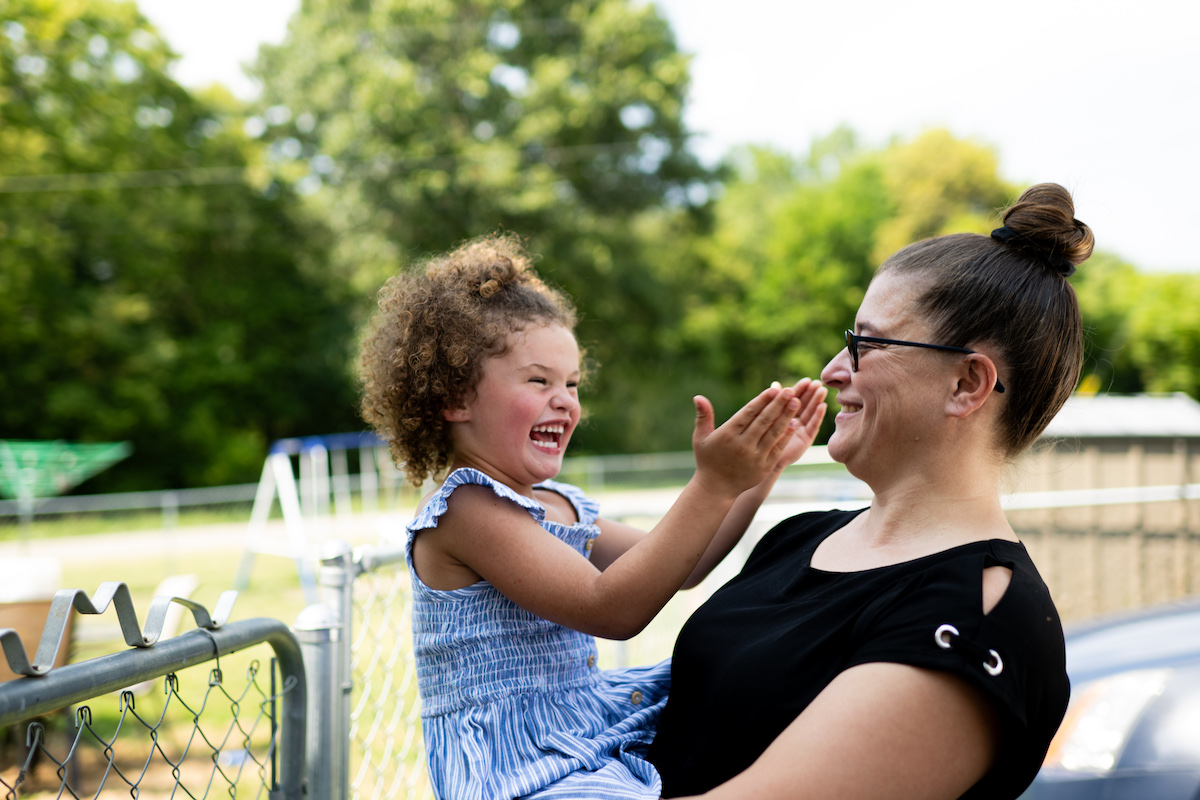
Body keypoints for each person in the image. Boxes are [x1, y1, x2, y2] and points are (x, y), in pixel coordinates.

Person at [647, 183, 1091, 800]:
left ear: (967, 384)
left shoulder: (981, 616)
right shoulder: (799, 536)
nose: (833, 369)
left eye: (867, 343)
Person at [357, 233, 828, 800]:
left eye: (572, 384)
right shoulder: (467, 509)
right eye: (539, 381)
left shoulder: (562, 503)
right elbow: (611, 609)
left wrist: (759, 470)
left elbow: (687, 563)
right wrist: (713, 482)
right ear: (455, 398)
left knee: (752, 682)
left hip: (586, 725)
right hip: (517, 765)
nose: (565, 400)